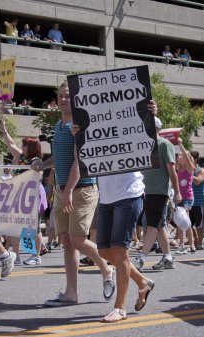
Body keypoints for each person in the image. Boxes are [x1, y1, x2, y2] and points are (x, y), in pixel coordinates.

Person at [67, 99, 158, 322]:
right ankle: (143, 282)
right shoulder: (94, 125)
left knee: (119, 250)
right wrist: (79, 134)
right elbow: (84, 155)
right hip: (106, 196)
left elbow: (151, 129)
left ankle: (120, 308)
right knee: (105, 251)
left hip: (129, 193)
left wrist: (151, 113)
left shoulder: (134, 121)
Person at [31, 80, 116, 306]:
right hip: (62, 190)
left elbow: (81, 161)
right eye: (60, 96)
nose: (63, 99)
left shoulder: (80, 124)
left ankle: (107, 269)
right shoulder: (59, 126)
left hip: (81, 189)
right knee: (67, 241)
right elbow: (60, 158)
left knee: (78, 240)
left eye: (67, 96)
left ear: (76, 99)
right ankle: (71, 293)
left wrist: (68, 190)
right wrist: (43, 163)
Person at [131, 117, 182, 271]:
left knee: (152, 226)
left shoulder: (165, 145)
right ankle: (168, 258)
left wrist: (177, 192)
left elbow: (172, 170)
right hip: (147, 191)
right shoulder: (144, 146)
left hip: (159, 192)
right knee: (159, 226)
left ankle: (141, 259)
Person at [0, 110, 46, 265]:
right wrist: (3, 129)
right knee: (15, 225)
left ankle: (36, 256)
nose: (21, 146)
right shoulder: (21, 159)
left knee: (34, 228)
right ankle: (16, 254)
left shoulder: (36, 160)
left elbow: (38, 170)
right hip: (18, 197)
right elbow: (10, 143)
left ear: (31, 147)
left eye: (24, 145)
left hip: (33, 197)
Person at [175, 138, 196, 254]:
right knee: (182, 221)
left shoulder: (189, 168)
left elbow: (187, 159)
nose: (178, 158)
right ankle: (186, 245)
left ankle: (186, 245)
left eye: (180, 156)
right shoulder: (178, 169)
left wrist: (180, 145)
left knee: (184, 220)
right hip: (180, 198)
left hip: (188, 198)